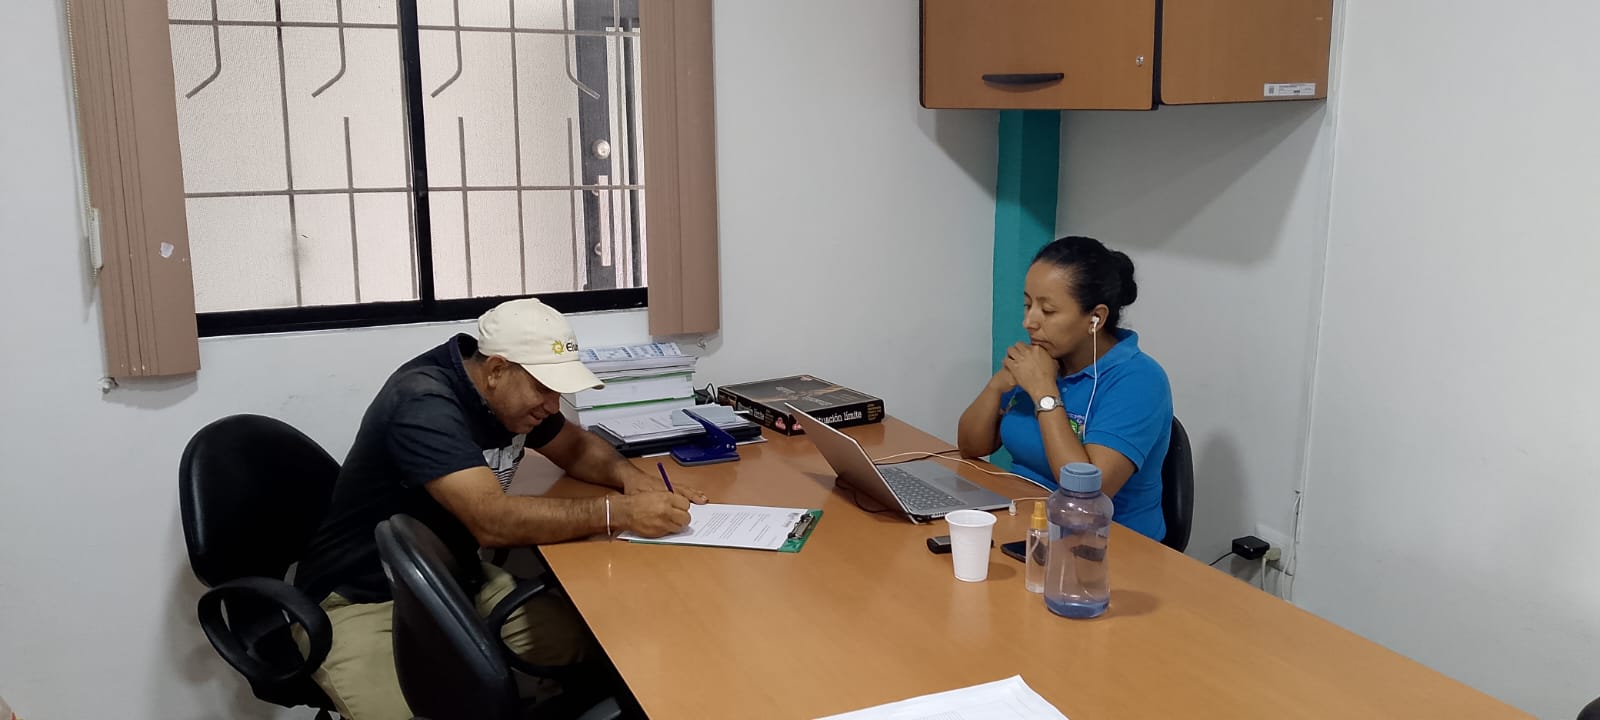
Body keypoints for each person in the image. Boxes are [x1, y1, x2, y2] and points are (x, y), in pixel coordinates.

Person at [292, 298, 708, 720]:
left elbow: (575, 447)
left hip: (455, 579)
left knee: (605, 646)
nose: (552, 405)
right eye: (544, 389)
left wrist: (630, 478)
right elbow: (491, 520)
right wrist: (617, 512)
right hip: (362, 599)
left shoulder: (508, 397)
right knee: (415, 713)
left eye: (557, 392)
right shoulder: (423, 404)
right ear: (496, 370)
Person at [958, 236, 1173, 541]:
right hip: (1026, 523)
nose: (1029, 322)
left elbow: (1086, 496)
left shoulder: (1139, 380)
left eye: (1047, 311)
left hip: (1106, 545)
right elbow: (970, 446)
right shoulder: (1045, 359)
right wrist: (997, 385)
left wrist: (1044, 393)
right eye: (1028, 305)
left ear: (1096, 318)